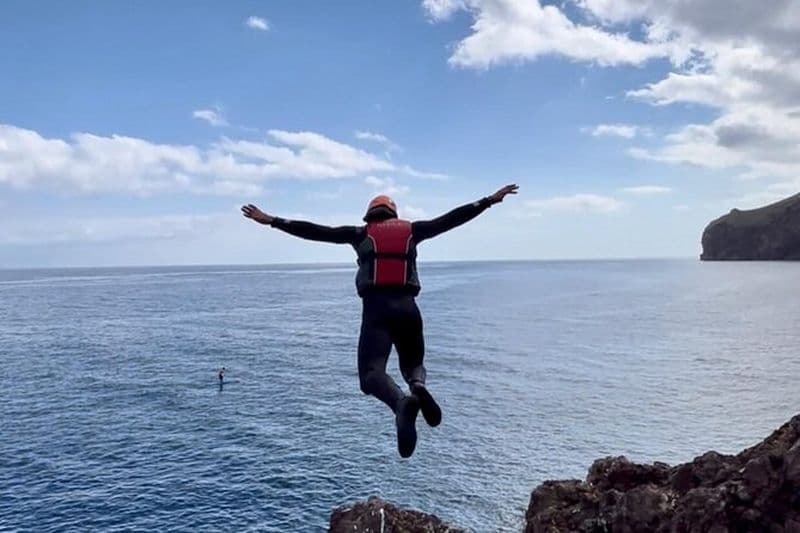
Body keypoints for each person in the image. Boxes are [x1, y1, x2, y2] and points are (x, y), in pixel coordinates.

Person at [241, 184, 518, 457]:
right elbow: (451, 219)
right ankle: (417, 386)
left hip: (376, 311)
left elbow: (316, 231)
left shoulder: (360, 234)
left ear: (370, 215)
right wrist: (488, 200)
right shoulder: (413, 231)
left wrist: (272, 220)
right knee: (414, 364)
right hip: (408, 309)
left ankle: (401, 404)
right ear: (393, 214)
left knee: (371, 375)